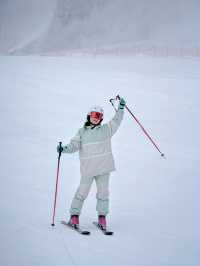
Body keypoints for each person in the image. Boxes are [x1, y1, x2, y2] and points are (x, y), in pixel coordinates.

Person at [57, 97, 126, 229]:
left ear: (101, 118)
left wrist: (121, 108)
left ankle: (102, 218)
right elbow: (73, 146)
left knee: (103, 193)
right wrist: (64, 149)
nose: (96, 117)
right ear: (89, 116)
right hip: (88, 170)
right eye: (94, 115)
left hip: (104, 169)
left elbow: (117, 121)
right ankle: (74, 217)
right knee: (82, 192)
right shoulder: (82, 132)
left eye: (98, 116)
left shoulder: (106, 130)